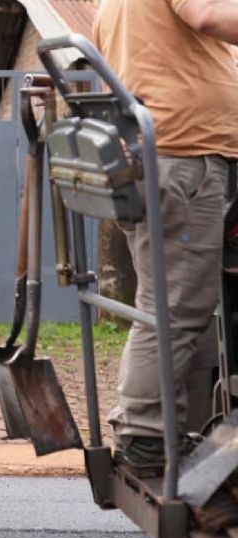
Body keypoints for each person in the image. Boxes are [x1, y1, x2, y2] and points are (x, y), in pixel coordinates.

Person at [93, 0, 238, 472]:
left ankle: (148, 429)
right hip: (181, 156)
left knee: (163, 302)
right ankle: (145, 434)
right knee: (175, 307)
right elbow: (208, 15)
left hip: (152, 156)